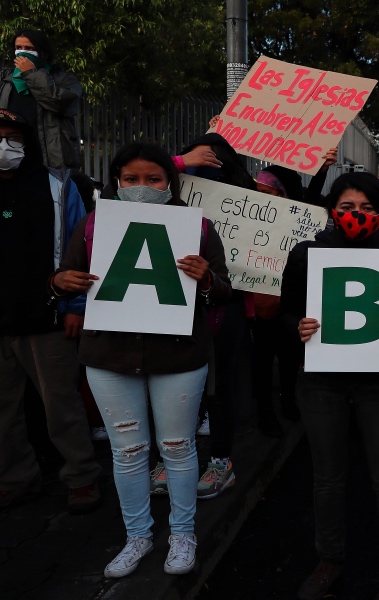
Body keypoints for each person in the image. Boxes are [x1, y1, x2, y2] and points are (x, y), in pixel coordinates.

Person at [52, 141, 232, 577]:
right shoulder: (95, 225)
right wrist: (61, 281)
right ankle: (137, 537)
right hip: (109, 357)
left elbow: (223, 291)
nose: (141, 187)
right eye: (130, 179)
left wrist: (206, 279)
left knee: (177, 447)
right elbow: (64, 277)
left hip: (179, 357)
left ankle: (182, 534)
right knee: (128, 451)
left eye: (153, 179)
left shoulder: (199, 228)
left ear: (170, 182)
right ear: (116, 181)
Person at [281, 172, 379, 600]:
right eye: (346, 207)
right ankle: (330, 560)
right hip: (321, 383)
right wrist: (299, 328)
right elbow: (285, 315)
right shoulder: (307, 255)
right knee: (327, 477)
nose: (355, 215)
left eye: (365, 208)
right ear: (332, 211)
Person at [0, 109, 101, 513]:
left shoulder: (57, 187)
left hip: (48, 316)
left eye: (13, 137)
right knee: (3, 411)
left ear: (28, 142)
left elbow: (81, 249)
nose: (5, 146)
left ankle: (81, 477)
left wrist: (75, 306)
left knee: (60, 404)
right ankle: (16, 479)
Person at [173, 132, 256, 499]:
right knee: (174, 383)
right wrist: (181, 162)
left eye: (217, 162)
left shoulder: (249, 196)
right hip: (174, 298)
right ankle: (174, 455)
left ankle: (220, 461)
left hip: (227, 303)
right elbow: (134, 176)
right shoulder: (168, 190)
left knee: (220, 386)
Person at [249, 166, 303, 436]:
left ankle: (288, 400)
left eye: (268, 193)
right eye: (257, 192)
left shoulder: (300, 222)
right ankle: (265, 412)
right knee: (261, 359)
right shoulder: (246, 220)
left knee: (290, 357)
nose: (262, 198)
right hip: (259, 306)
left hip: (290, 304)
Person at [0, 30, 81, 170]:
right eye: (18, 48)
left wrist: (31, 73)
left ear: (44, 53)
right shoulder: (5, 80)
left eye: (30, 49)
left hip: (48, 159)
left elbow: (58, 103)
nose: (22, 52)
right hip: (9, 155)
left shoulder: (63, 80)